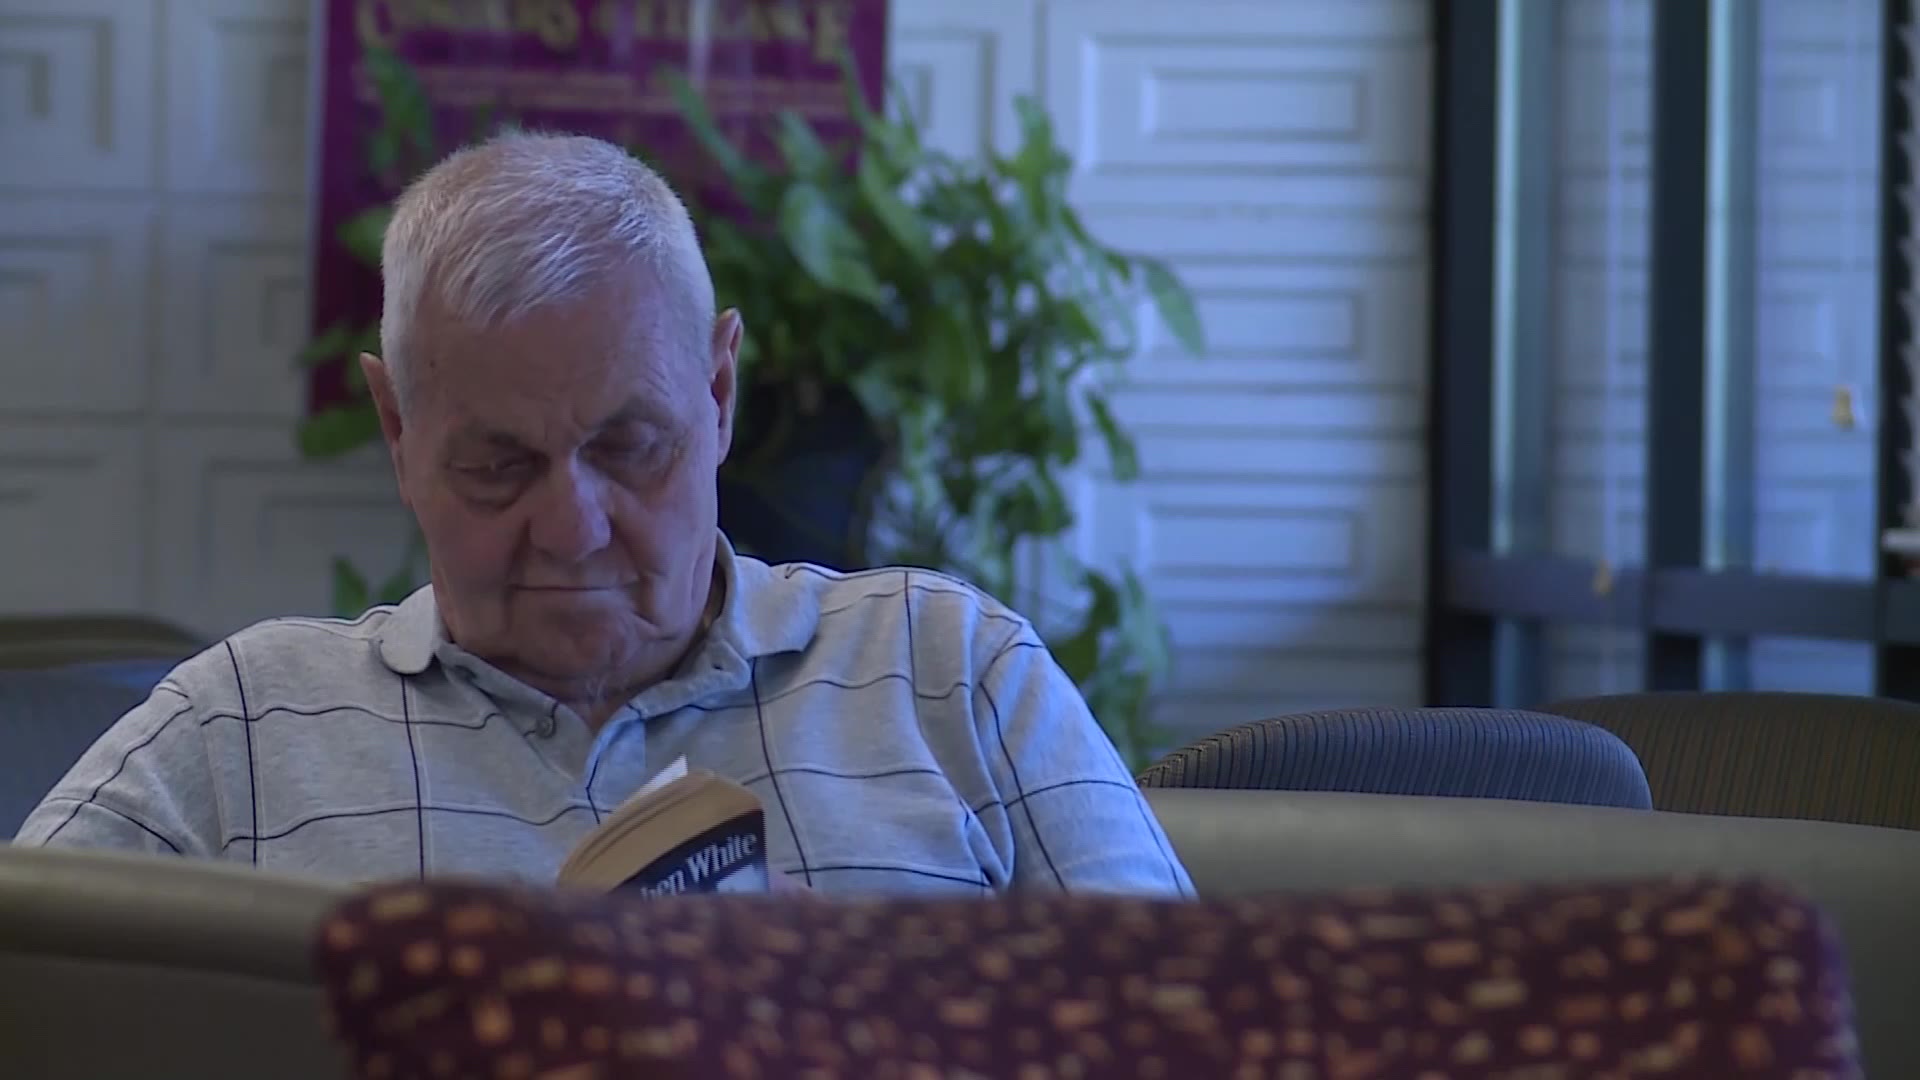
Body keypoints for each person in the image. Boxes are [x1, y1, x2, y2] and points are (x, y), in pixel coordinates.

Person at [16, 132, 1194, 896]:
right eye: (498, 465)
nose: (573, 530)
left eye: (630, 449)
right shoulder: (238, 727)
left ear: (719, 394)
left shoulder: (952, 671)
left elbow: (1191, 1034)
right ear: (396, 429)